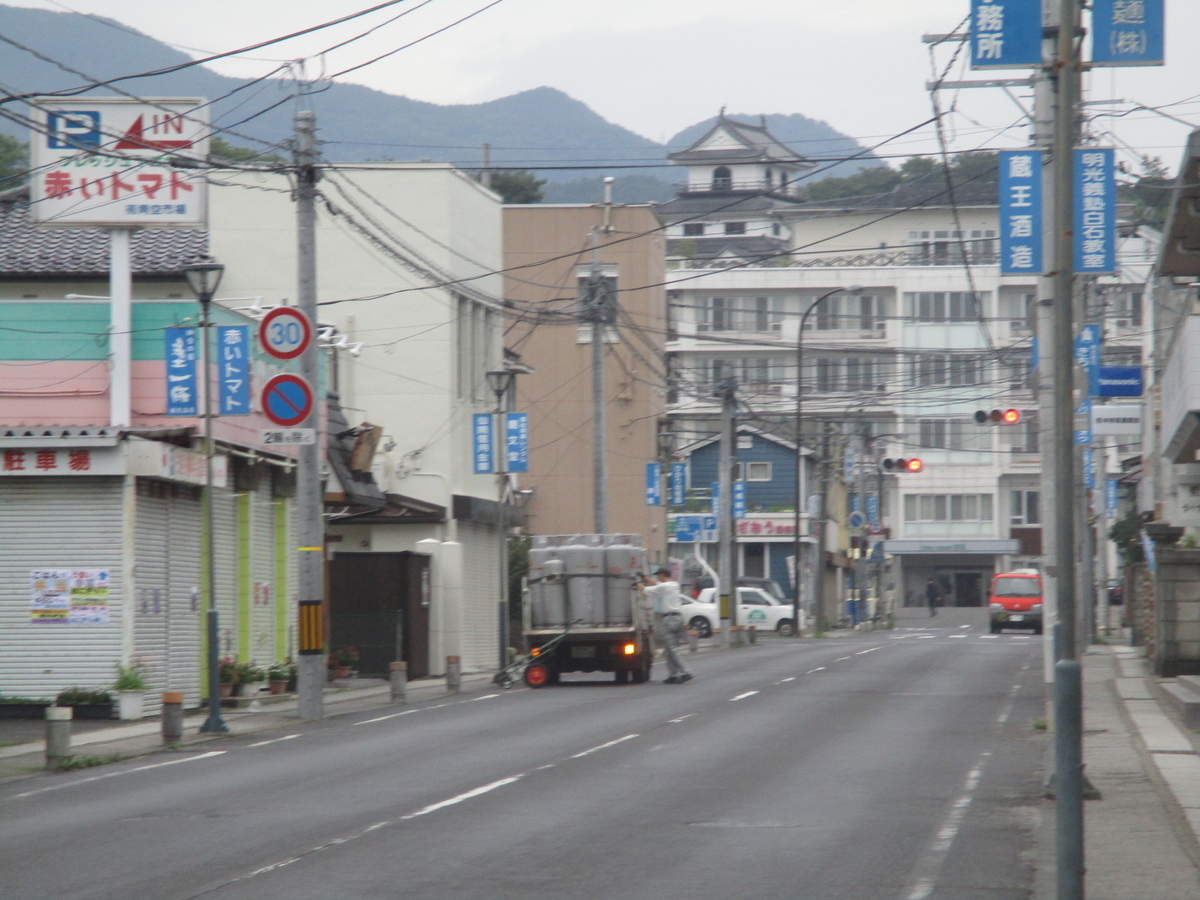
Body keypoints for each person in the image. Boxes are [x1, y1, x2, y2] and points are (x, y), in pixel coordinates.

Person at [641, 568, 693, 684]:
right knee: (669, 649)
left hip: (669, 619)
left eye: (659, 575)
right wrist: (647, 579)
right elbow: (657, 584)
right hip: (677, 618)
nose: (658, 578)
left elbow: (647, 590)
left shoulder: (665, 587)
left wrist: (638, 583)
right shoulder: (673, 585)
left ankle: (686, 672)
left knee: (672, 648)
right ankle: (673, 674)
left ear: (662, 575)